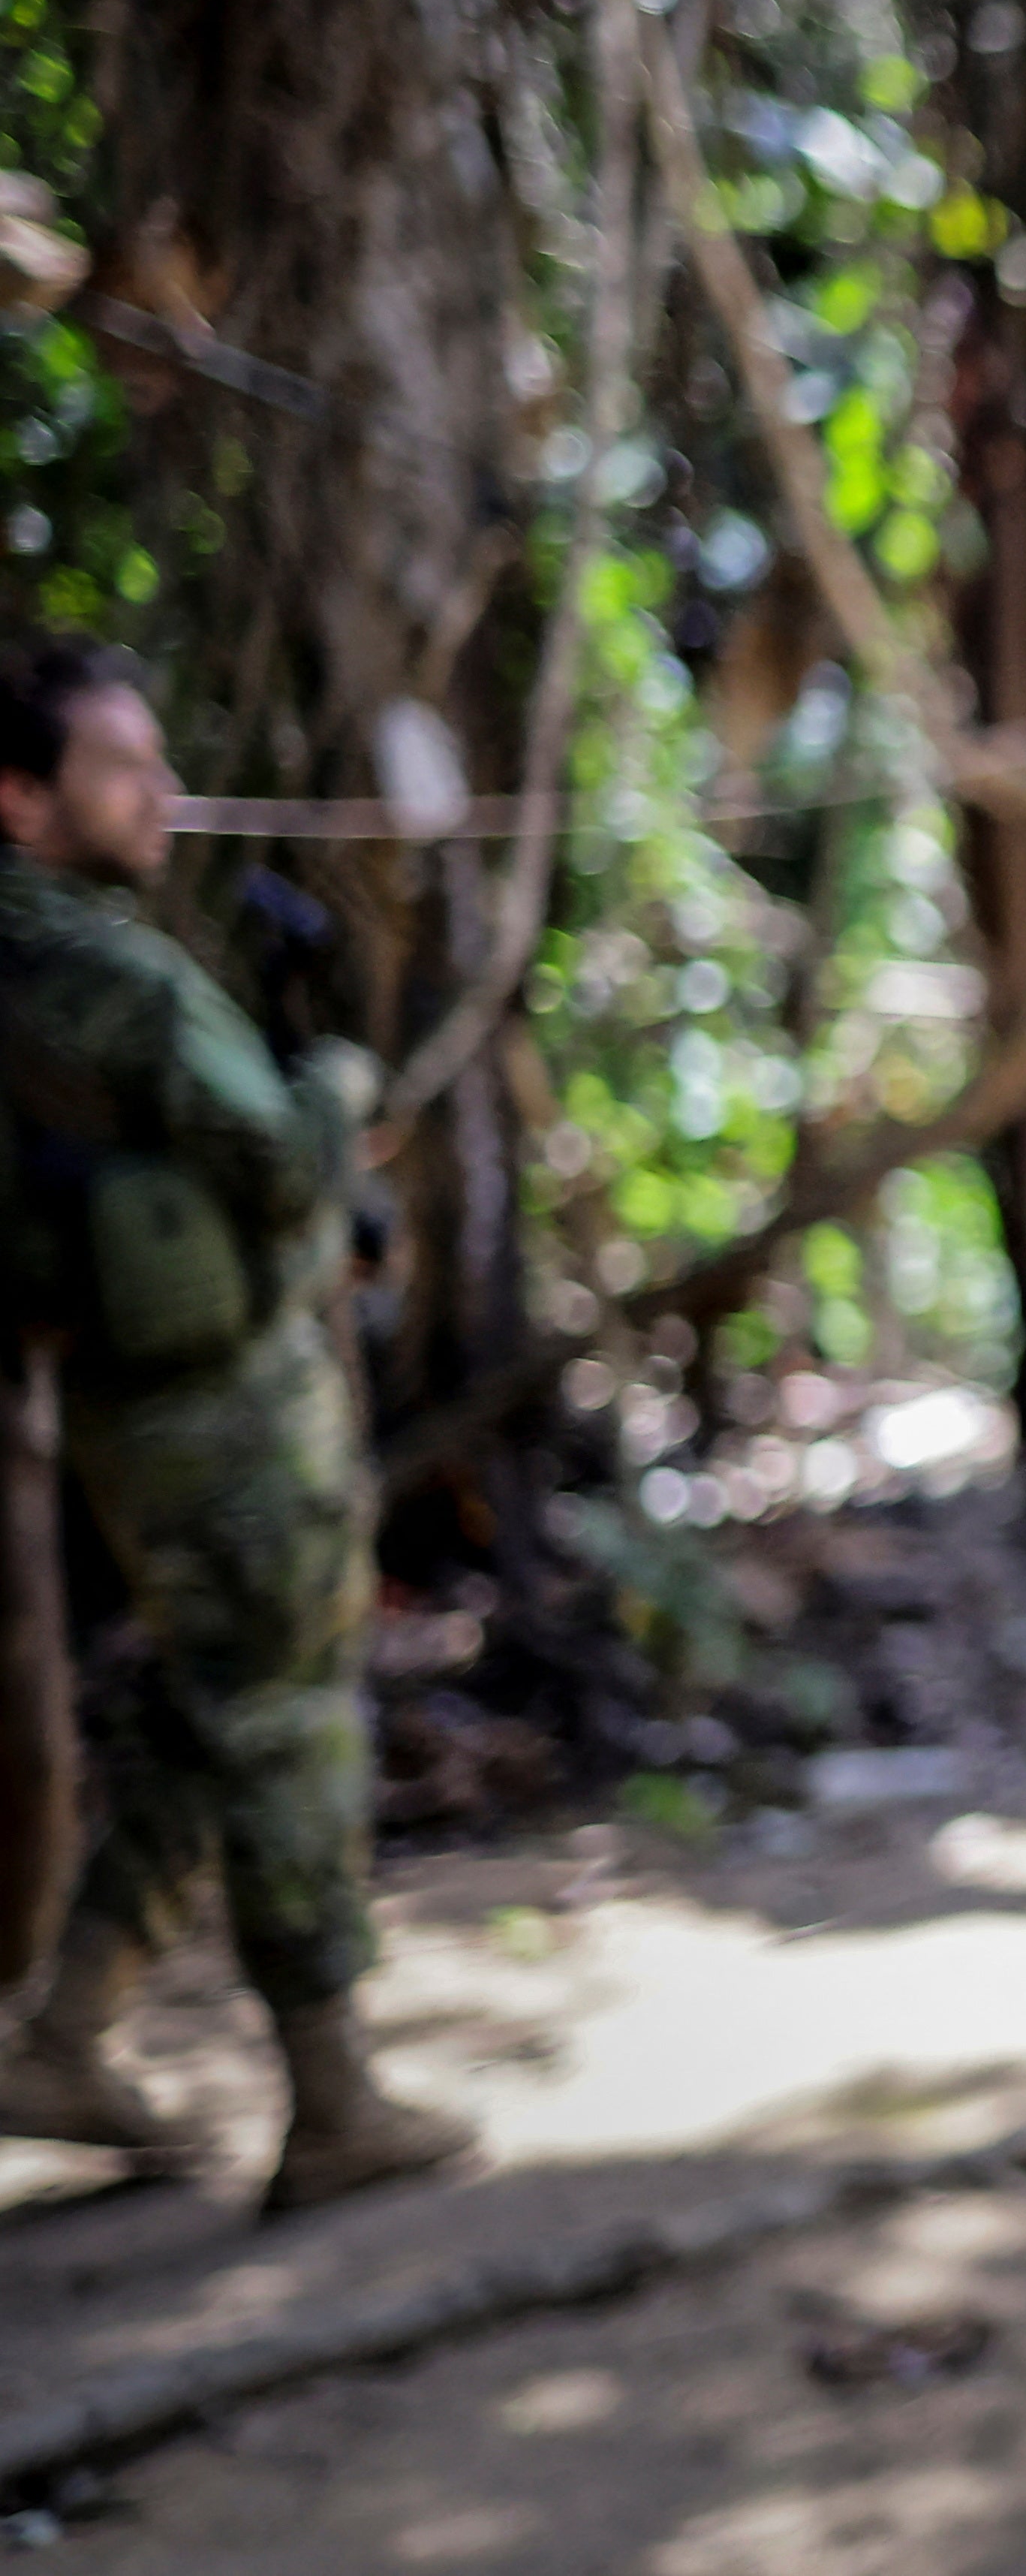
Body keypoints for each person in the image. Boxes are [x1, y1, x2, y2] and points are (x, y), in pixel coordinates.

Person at [0, 635, 473, 2213]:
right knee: (282, 1716)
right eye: (121, 767)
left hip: (118, 1406)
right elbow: (278, 1162)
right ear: (21, 800)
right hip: (218, 1406)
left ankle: (62, 2033)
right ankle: (334, 2101)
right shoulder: (113, 976)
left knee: (215, 1712)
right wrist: (338, 1079)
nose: (163, 793)